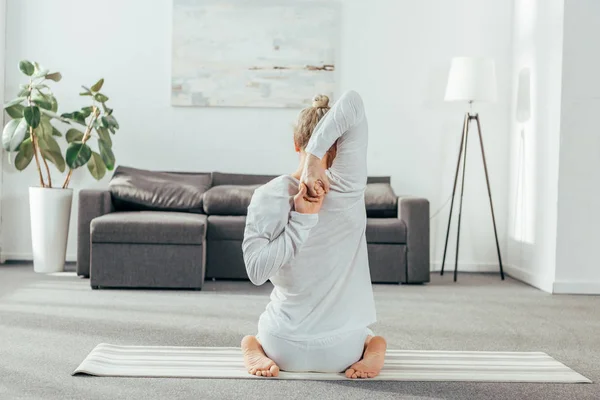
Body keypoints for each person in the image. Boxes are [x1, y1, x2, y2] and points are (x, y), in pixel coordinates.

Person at [241, 90, 387, 379]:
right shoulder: (348, 186)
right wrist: (315, 160)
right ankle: (375, 347)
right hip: (343, 350)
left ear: (296, 144)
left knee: (253, 337)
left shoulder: (266, 195)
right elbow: (354, 102)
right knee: (373, 338)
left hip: (280, 346)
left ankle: (251, 345)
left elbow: (256, 273)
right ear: (341, 145)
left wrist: (299, 223)